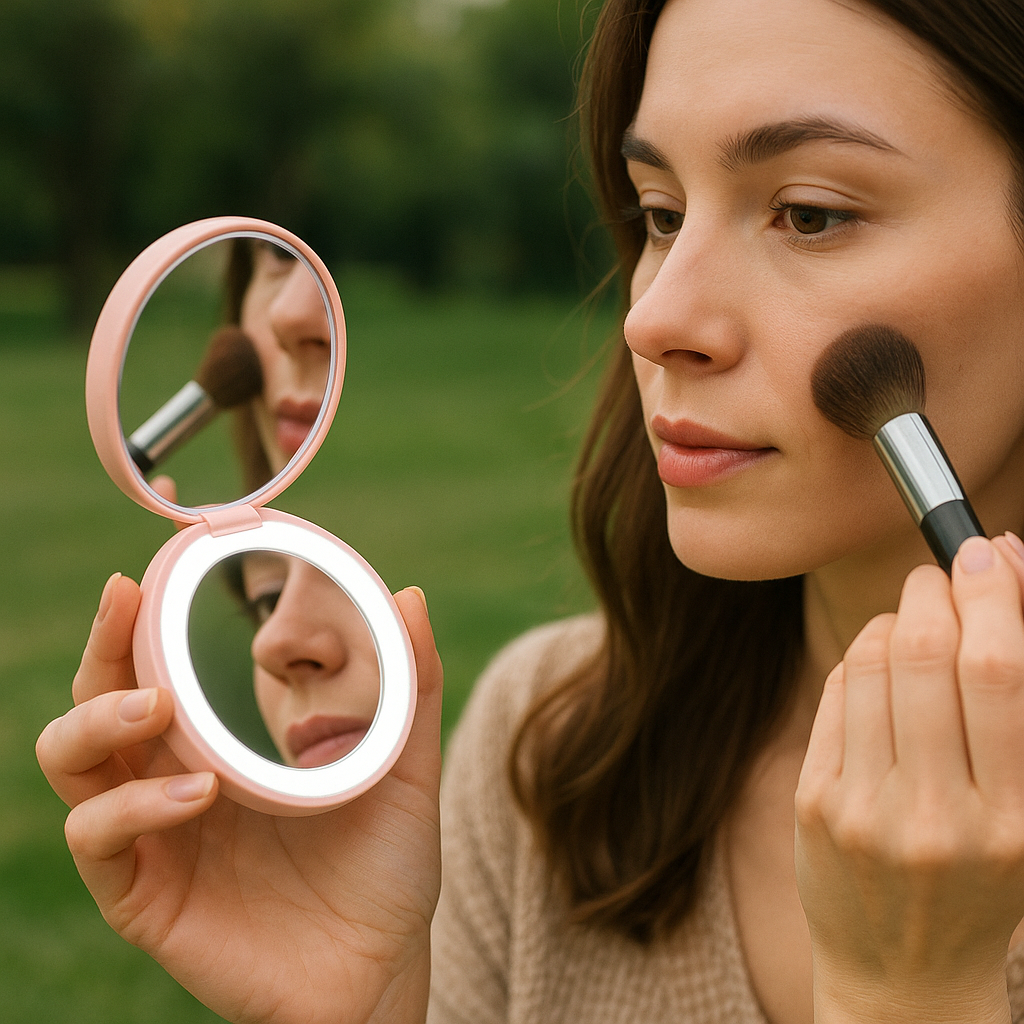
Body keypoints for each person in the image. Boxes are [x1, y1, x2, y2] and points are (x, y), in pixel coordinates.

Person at [34, 0, 1024, 1021]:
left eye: (809, 212)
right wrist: (363, 1004)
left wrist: (914, 995)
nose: (654, 316)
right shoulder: (552, 746)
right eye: (661, 213)